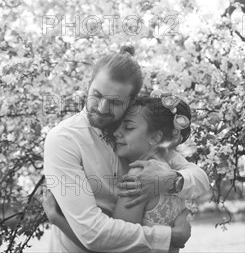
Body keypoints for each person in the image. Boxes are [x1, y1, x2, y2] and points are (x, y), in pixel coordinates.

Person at [43, 46, 210, 252]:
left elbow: (200, 179)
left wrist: (171, 180)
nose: (102, 108)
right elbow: (92, 233)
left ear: (130, 101)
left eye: (114, 102)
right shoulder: (63, 140)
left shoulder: (137, 135)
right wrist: (169, 237)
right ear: (88, 85)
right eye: (96, 95)